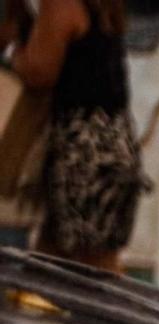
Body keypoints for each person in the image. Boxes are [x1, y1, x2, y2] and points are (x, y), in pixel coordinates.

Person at [1, 0, 147, 273]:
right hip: (111, 144)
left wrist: (13, 52)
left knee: (89, 269)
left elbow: (40, 71)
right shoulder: (99, 6)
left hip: (85, 153)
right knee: (55, 262)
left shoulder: (60, 4)